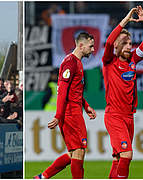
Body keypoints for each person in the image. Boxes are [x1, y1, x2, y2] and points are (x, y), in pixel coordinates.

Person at [34, 32, 97, 179]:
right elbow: (62, 92)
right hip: (70, 114)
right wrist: (58, 115)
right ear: (81, 46)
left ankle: (42, 177)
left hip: (75, 112)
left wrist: (86, 106)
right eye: (91, 46)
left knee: (74, 153)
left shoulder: (78, 63)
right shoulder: (70, 63)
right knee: (79, 152)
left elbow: (75, 91)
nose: (93, 49)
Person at [102, 6, 143, 179]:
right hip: (114, 116)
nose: (128, 46)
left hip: (129, 116)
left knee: (118, 158)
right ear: (117, 44)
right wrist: (125, 20)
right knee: (127, 155)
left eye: (130, 43)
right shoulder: (109, 60)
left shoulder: (133, 59)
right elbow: (108, 42)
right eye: (124, 43)